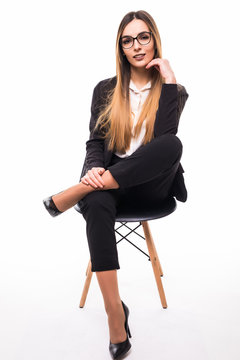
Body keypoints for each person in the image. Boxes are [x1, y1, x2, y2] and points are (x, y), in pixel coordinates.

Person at [43, 10, 189, 359]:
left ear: (154, 39)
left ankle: (76, 192)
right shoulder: (106, 89)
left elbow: (164, 141)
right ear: (120, 48)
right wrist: (94, 171)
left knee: (172, 145)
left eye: (143, 37)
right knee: (96, 203)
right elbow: (96, 142)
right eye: (128, 40)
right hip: (110, 184)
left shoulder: (174, 91)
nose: (136, 46)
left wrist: (168, 79)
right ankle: (114, 315)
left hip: (153, 184)